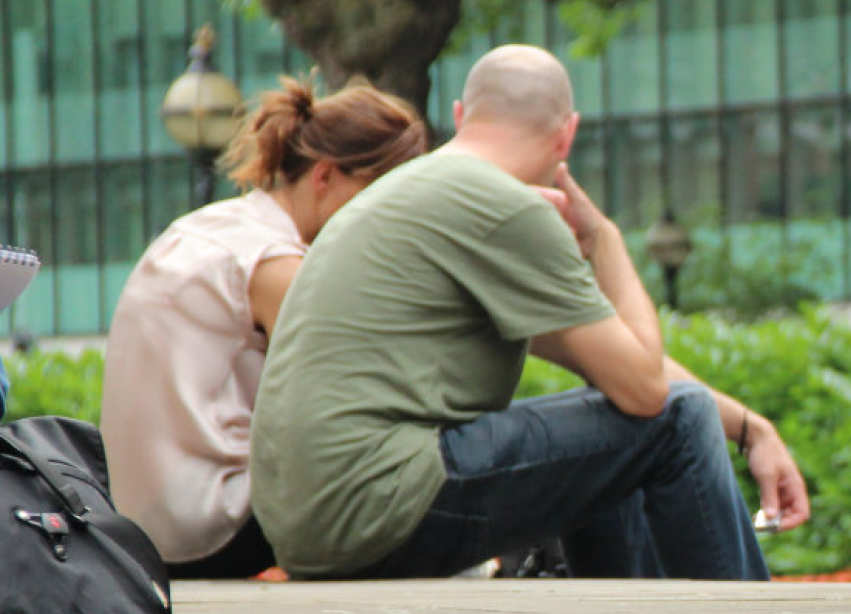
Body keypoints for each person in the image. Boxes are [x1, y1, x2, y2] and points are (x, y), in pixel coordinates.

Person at [248, 43, 808, 580]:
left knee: (613, 437)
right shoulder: (500, 206)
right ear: (567, 134)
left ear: (461, 115)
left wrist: (750, 429)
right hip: (379, 505)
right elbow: (651, 394)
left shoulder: (414, 193)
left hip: (315, 523)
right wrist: (606, 242)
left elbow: (617, 373)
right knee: (672, 417)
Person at [101, 78, 429, 578]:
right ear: (325, 177)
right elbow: (362, 404)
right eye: (382, 198)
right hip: (216, 528)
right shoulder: (277, 266)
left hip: (140, 532)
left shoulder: (212, 226)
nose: (393, 221)